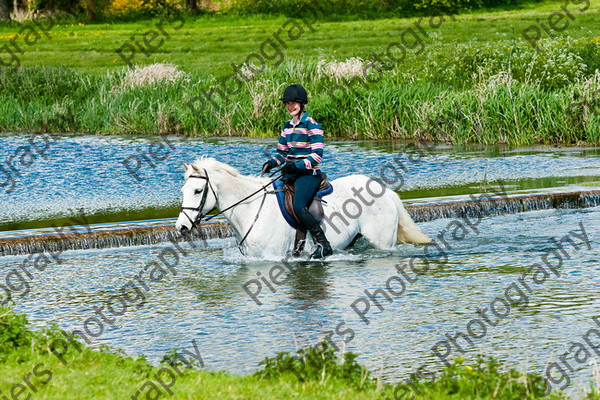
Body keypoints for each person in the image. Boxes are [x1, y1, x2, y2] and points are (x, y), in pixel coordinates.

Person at [262, 84, 333, 259]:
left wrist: (297, 166)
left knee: (299, 206)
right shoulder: (287, 126)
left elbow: (317, 155)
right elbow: (282, 153)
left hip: (309, 175)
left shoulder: (313, 125)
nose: (290, 106)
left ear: (302, 104)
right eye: (287, 103)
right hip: (291, 174)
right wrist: (272, 162)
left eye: (294, 103)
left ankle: (323, 244)